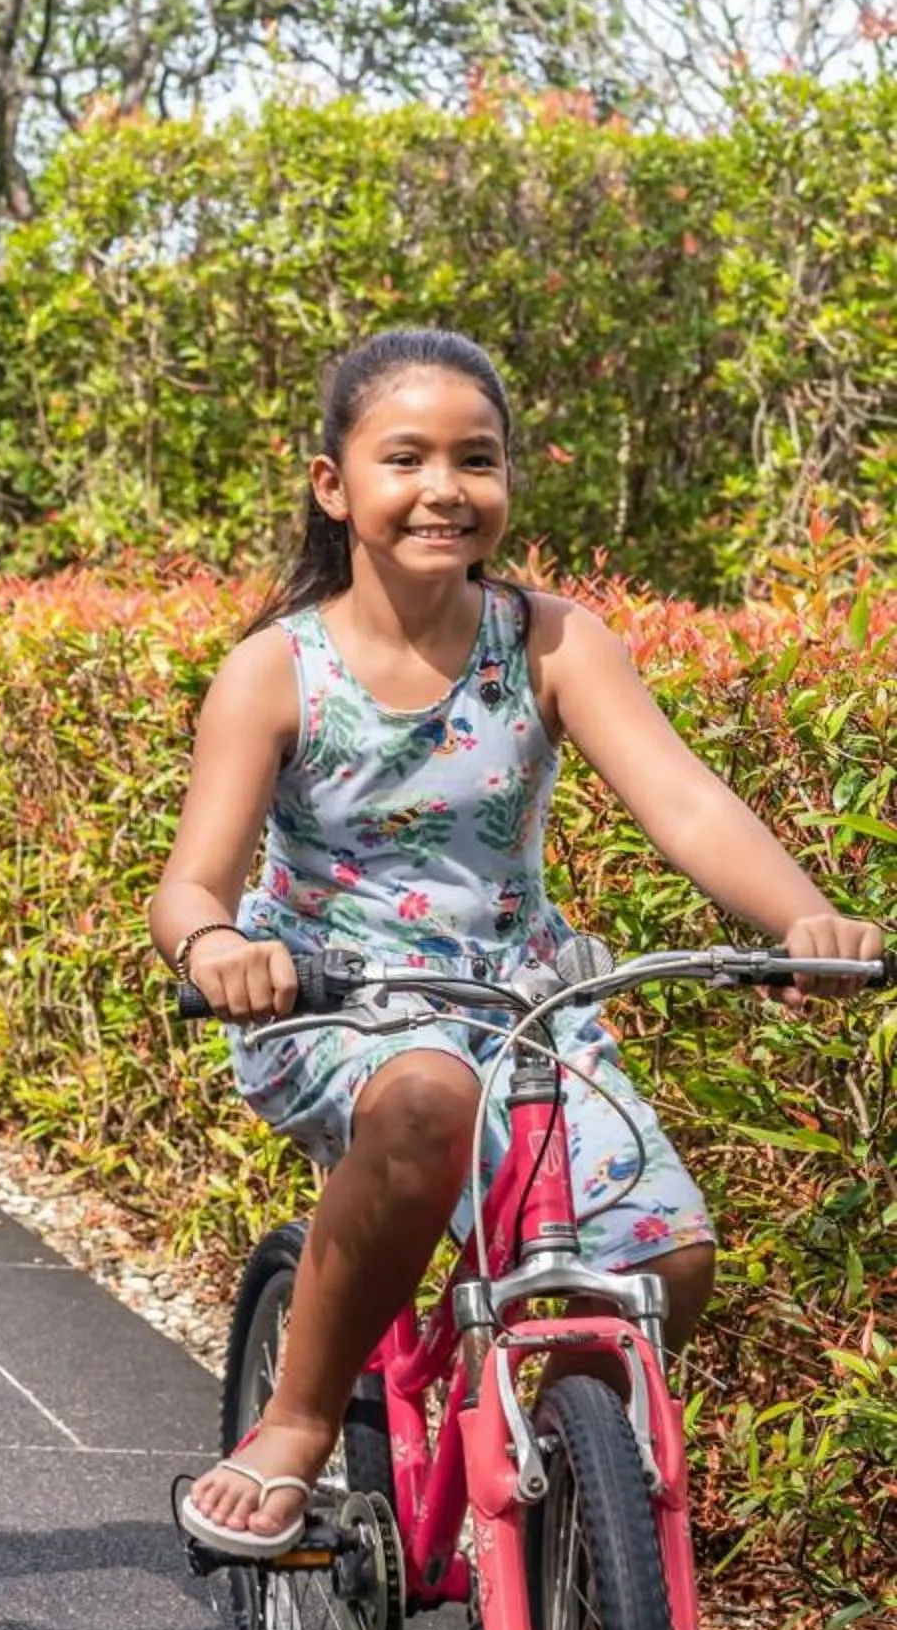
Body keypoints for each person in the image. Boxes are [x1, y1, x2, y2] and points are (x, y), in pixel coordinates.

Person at [151, 327, 885, 1555]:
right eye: (407, 458)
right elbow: (191, 880)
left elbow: (687, 800)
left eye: (475, 459)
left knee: (670, 1261)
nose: (445, 487)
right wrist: (218, 946)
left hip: (522, 1007)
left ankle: (558, 1504)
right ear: (335, 486)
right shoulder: (275, 671)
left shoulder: (549, 639)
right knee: (425, 1095)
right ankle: (297, 1417)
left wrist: (800, 914)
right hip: (334, 1007)